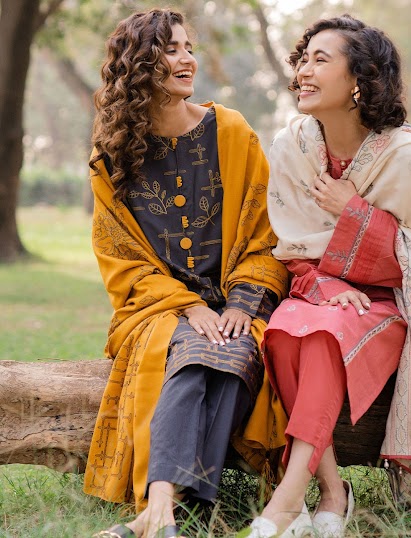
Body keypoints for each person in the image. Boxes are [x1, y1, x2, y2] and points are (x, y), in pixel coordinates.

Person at [245, 14, 411, 538]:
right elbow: (291, 241)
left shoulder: (405, 155)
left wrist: (354, 210)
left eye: (320, 60)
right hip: (317, 292)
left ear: (359, 79)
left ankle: (288, 500)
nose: (303, 73)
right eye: (302, 60)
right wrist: (327, 284)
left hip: (389, 302)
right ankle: (334, 491)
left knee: (322, 334)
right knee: (285, 334)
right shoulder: (293, 146)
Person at [83, 9, 289, 538]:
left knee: (235, 351)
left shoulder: (233, 132)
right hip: (158, 308)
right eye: (171, 50)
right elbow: (121, 261)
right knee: (192, 351)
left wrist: (240, 306)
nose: (187, 59)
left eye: (188, 47)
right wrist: (189, 307)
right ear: (139, 66)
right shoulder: (111, 158)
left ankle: (158, 511)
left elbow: (266, 234)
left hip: (236, 298)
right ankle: (167, 509)